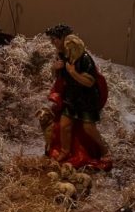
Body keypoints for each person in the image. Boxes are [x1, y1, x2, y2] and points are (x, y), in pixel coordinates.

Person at [44, 24, 111, 170]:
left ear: (64, 39)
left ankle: (105, 150)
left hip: (86, 98)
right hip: (71, 97)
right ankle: (65, 151)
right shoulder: (62, 55)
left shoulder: (84, 58)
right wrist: (55, 69)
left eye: (54, 39)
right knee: (64, 125)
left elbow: (90, 82)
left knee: (88, 127)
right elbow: (59, 77)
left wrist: (73, 72)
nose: (52, 43)